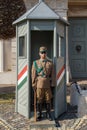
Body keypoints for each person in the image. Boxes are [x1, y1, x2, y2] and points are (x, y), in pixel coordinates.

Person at [32, 46, 55, 121]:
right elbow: (33, 74)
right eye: (42, 52)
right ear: (39, 54)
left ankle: (48, 114)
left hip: (47, 84)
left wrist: (53, 83)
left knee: (48, 99)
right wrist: (33, 83)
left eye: (44, 52)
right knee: (39, 99)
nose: (43, 54)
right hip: (39, 84)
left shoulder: (50, 63)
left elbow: (53, 74)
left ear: (46, 53)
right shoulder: (35, 63)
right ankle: (40, 113)